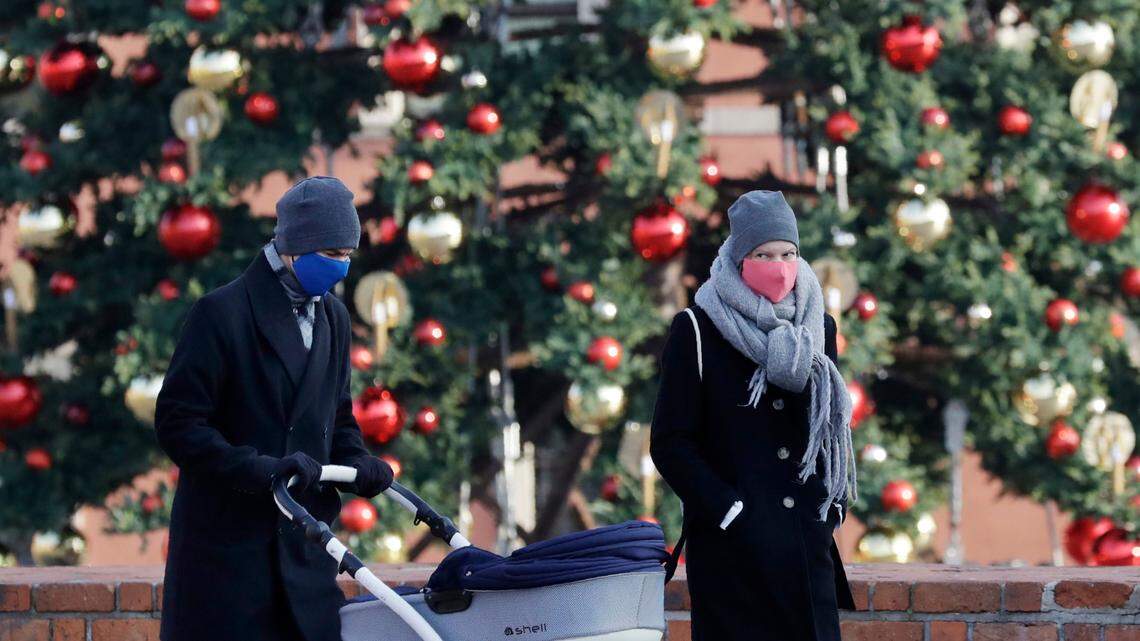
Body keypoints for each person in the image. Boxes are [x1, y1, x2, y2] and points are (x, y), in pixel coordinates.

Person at [155, 176, 395, 641]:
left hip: (304, 553)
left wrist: (357, 461)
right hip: (230, 560)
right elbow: (178, 425)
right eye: (331, 255)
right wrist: (259, 469)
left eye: (348, 256)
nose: (341, 268)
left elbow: (336, 414)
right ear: (294, 248)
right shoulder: (221, 313)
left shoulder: (333, 317)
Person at [650, 190, 857, 641]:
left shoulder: (818, 327)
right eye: (764, 254)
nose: (779, 266)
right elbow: (670, 443)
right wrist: (730, 511)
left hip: (806, 554)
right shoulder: (697, 329)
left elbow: (830, 428)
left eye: (788, 254)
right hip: (732, 559)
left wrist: (831, 512)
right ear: (740, 257)